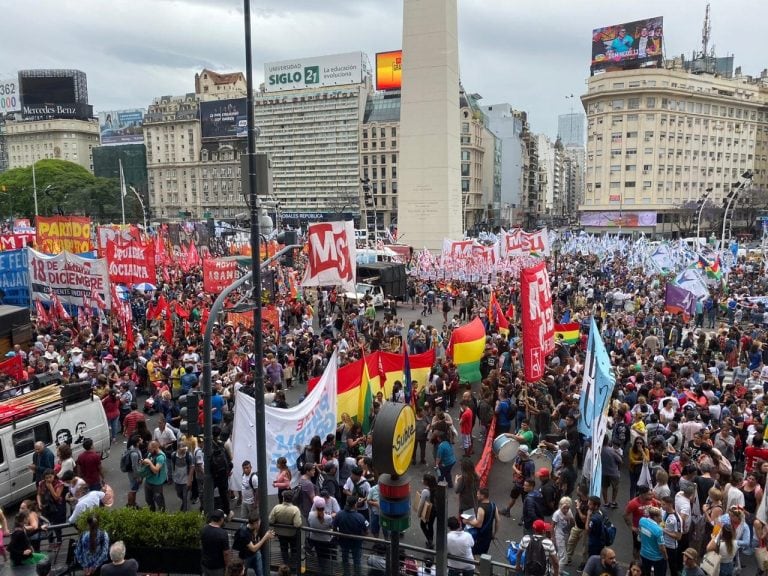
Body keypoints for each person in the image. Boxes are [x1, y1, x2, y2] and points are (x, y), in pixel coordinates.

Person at [269, 490, 302, 574]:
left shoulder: (277, 508)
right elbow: (297, 524)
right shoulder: (295, 510)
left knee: (284, 549)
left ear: (283, 498)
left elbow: (271, 521)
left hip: (280, 533)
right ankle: (293, 568)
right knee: (294, 549)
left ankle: (285, 565)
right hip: (292, 534)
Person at [333, 499, 369, 576]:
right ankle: (357, 574)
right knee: (357, 560)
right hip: (357, 543)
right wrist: (361, 537)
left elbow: (334, 528)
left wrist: (339, 536)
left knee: (345, 559)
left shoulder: (339, 514)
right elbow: (366, 531)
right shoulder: (360, 517)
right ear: (355, 504)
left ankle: (346, 573)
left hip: (343, 541)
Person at [466, 487, 498, 556]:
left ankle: (477, 565)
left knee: (475, 554)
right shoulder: (493, 505)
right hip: (488, 534)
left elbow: (478, 524)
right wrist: (494, 533)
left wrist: (467, 521)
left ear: (483, 496)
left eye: (478, 494)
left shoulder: (481, 508)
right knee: (484, 553)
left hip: (480, 535)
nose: (477, 495)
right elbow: (498, 521)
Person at [307, 496, 335, 575]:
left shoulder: (310, 514)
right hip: (325, 540)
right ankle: (324, 571)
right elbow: (331, 527)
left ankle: (321, 570)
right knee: (325, 556)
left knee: (319, 556)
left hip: (314, 539)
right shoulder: (328, 517)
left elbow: (310, 520)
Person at [639, 506, 667, 576]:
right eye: (660, 516)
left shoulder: (642, 520)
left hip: (644, 554)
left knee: (645, 573)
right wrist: (665, 557)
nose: (661, 517)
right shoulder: (658, 530)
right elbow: (662, 548)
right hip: (656, 558)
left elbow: (639, 532)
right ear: (655, 517)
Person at [200, 509, 230, 576]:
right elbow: (226, 553)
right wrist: (227, 566)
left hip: (205, 564)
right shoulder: (223, 534)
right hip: (218, 567)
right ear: (221, 519)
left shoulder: (204, 529)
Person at [141, 440, 167, 512]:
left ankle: (162, 515)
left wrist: (149, 462)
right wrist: (144, 462)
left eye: (150, 449)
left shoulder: (161, 457)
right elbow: (149, 465)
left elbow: (156, 470)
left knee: (159, 500)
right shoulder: (151, 454)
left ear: (155, 448)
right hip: (148, 481)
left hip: (157, 483)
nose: (149, 451)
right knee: (148, 499)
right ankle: (152, 513)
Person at [170, 440, 193, 511]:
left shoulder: (188, 455)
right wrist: (172, 477)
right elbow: (172, 466)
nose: (184, 449)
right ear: (178, 448)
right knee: (179, 494)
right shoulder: (173, 455)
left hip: (186, 479)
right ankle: (184, 503)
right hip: (177, 479)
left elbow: (192, 468)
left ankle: (184, 511)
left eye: (185, 447)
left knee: (185, 495)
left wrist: (189, 480)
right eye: (182, 447)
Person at [418, 473, 438, 549]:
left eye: (423, 479)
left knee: (422, 525)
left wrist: (419, 514)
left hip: (427, 511)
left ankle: (430, 541)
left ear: (426, 482)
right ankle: (431, 540)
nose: (422, 480)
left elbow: (421, 504)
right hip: (434, 511)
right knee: (430, 525)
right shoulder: (436, 488)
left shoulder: (425, 491)